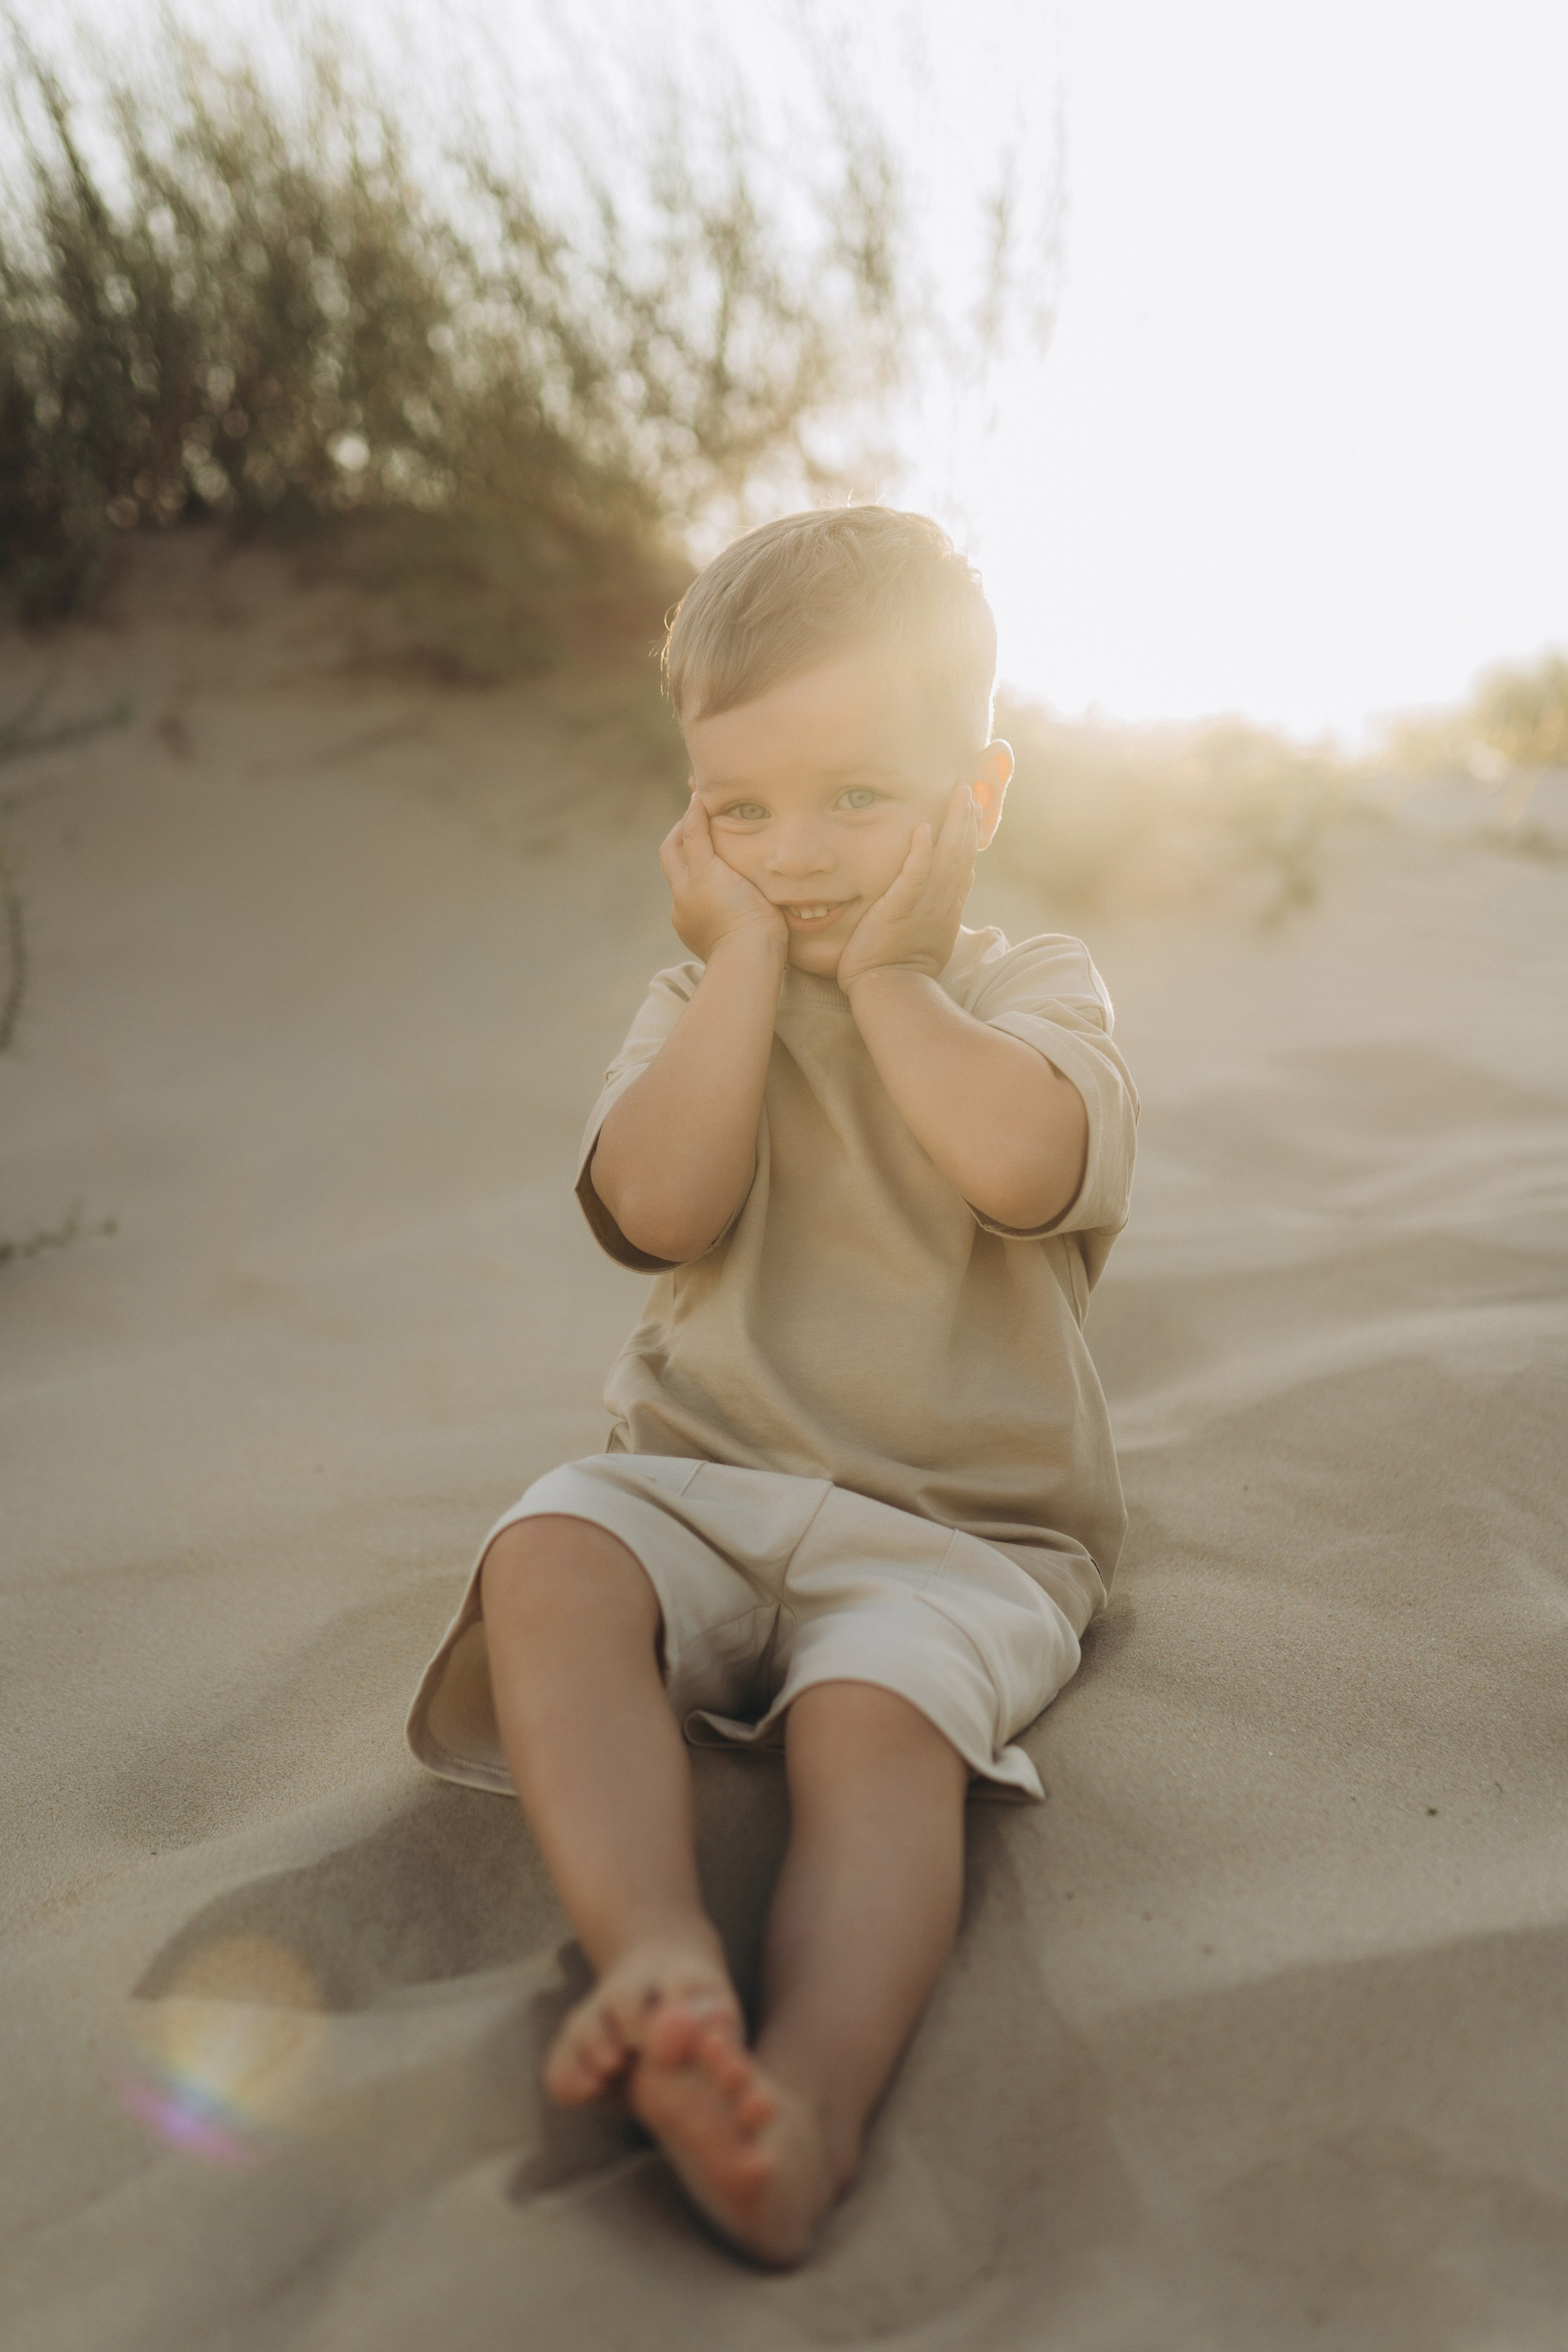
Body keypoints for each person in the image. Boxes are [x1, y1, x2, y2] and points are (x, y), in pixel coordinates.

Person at [406, 505, 1137, 2265]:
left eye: (860, 800)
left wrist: (887, 978)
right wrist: (743, 967)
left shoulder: (1026, 990)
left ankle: (800, 2102)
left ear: (978, 801)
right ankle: (651, 1938)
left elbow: (1027, 1169)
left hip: (959, 1534)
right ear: (693, 817)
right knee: (547, 1560)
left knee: (873, 1736)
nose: (797, 857)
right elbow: (659, 1207)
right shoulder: (690, 998)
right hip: (698, 1477)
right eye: (745, 810)